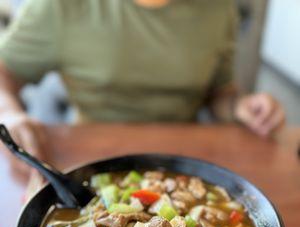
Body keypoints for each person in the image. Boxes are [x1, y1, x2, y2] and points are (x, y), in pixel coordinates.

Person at [0, 0, 285, 177]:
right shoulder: (58, 6)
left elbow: (220, 90)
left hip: (186, 161)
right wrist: (8, 113)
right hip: (87, 159)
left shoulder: (219, 7)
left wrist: (240, 106)